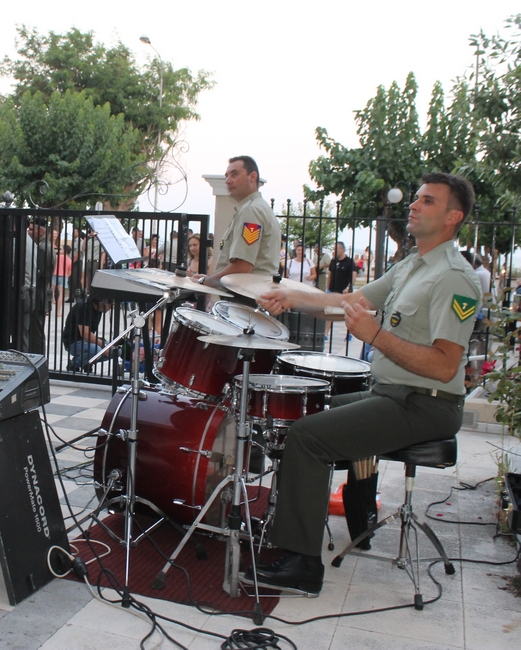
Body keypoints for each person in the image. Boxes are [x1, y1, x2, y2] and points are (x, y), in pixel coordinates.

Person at [253, 172, 481, 595]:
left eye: (427, 201)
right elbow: (348, 302)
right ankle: (290, 531)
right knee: (301, 418)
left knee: (306, 437)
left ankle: (303, 564)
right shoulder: (412, 265)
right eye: (416, 198)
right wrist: (293, 297)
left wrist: (375, 335)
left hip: (425, 403)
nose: (414, 205)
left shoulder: (454, 277)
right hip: (391, 394)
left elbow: (445, 366)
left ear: (453, 217)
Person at [191, 156, 281, 289]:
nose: (228, 181)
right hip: (254, 293)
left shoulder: (251, 210)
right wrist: (209, 279)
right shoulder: (259, 207)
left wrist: (205, 281)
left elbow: (243, 266)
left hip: (246, 295)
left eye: (234, 174)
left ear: (252, 177)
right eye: (226, 176)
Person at [62, 296, 114, 371]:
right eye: (110, 305)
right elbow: (85, 334)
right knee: (97, 350)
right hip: (73, 341)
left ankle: (87, 362)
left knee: (116, 351)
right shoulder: (83, 307)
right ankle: (73, 364)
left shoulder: (98, 308)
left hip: (87, 341)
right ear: (101, 303)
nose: (111, 307)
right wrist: (104, 345)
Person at [27, 216, 55, 355]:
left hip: (39, 294)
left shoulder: (42, 248)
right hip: (42, 292)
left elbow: (36, 273)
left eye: (32, 229)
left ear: (41, 231)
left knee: (36, 331)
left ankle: (38, 359)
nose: (29, 232)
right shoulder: (46, 245)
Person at [325, 241, 359, 340]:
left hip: (344, 292)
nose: (334, 251)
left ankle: (349, 334)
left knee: (347, 313)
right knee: (330, 313)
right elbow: (330, 275)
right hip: (332, 291)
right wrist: (328, 288)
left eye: (336, 249)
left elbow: (353, 275)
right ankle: (326, 333)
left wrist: (349, 287)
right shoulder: (333, 261)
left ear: (342, 249)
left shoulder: (349, 262)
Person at [54, 244, 72, 316]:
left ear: (64, 250)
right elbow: (70, 272)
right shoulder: (70, 260)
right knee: (61, 294)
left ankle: (48, 309)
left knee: (51, 292)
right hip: (64, 276)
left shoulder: (57, 257)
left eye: (61, 249)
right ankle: (58, 312)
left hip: (55, 275)